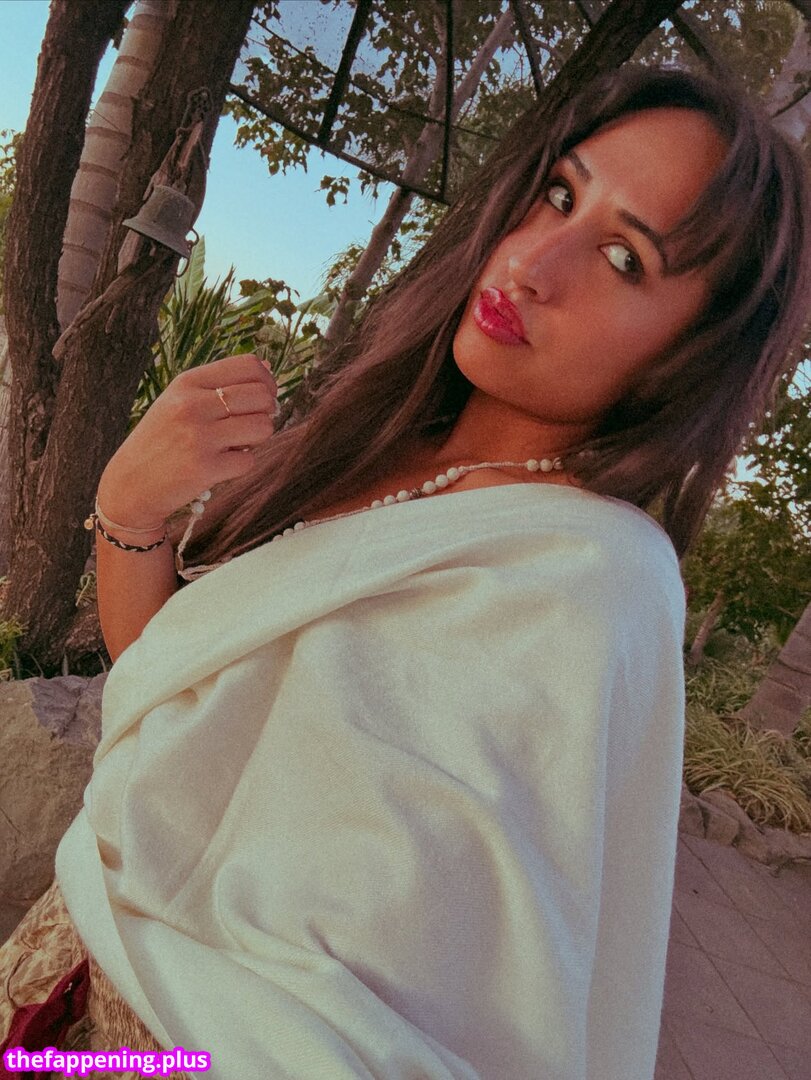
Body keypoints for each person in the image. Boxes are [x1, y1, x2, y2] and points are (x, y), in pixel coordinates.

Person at [1, 63, 809, 1080]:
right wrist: (130, 506)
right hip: (55, 961)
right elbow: (174, 677)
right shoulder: (383, 444)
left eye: (622, 256)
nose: (533, 262)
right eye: (558, 194)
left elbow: (405, 1014)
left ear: (691, 355)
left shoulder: (584, 584)